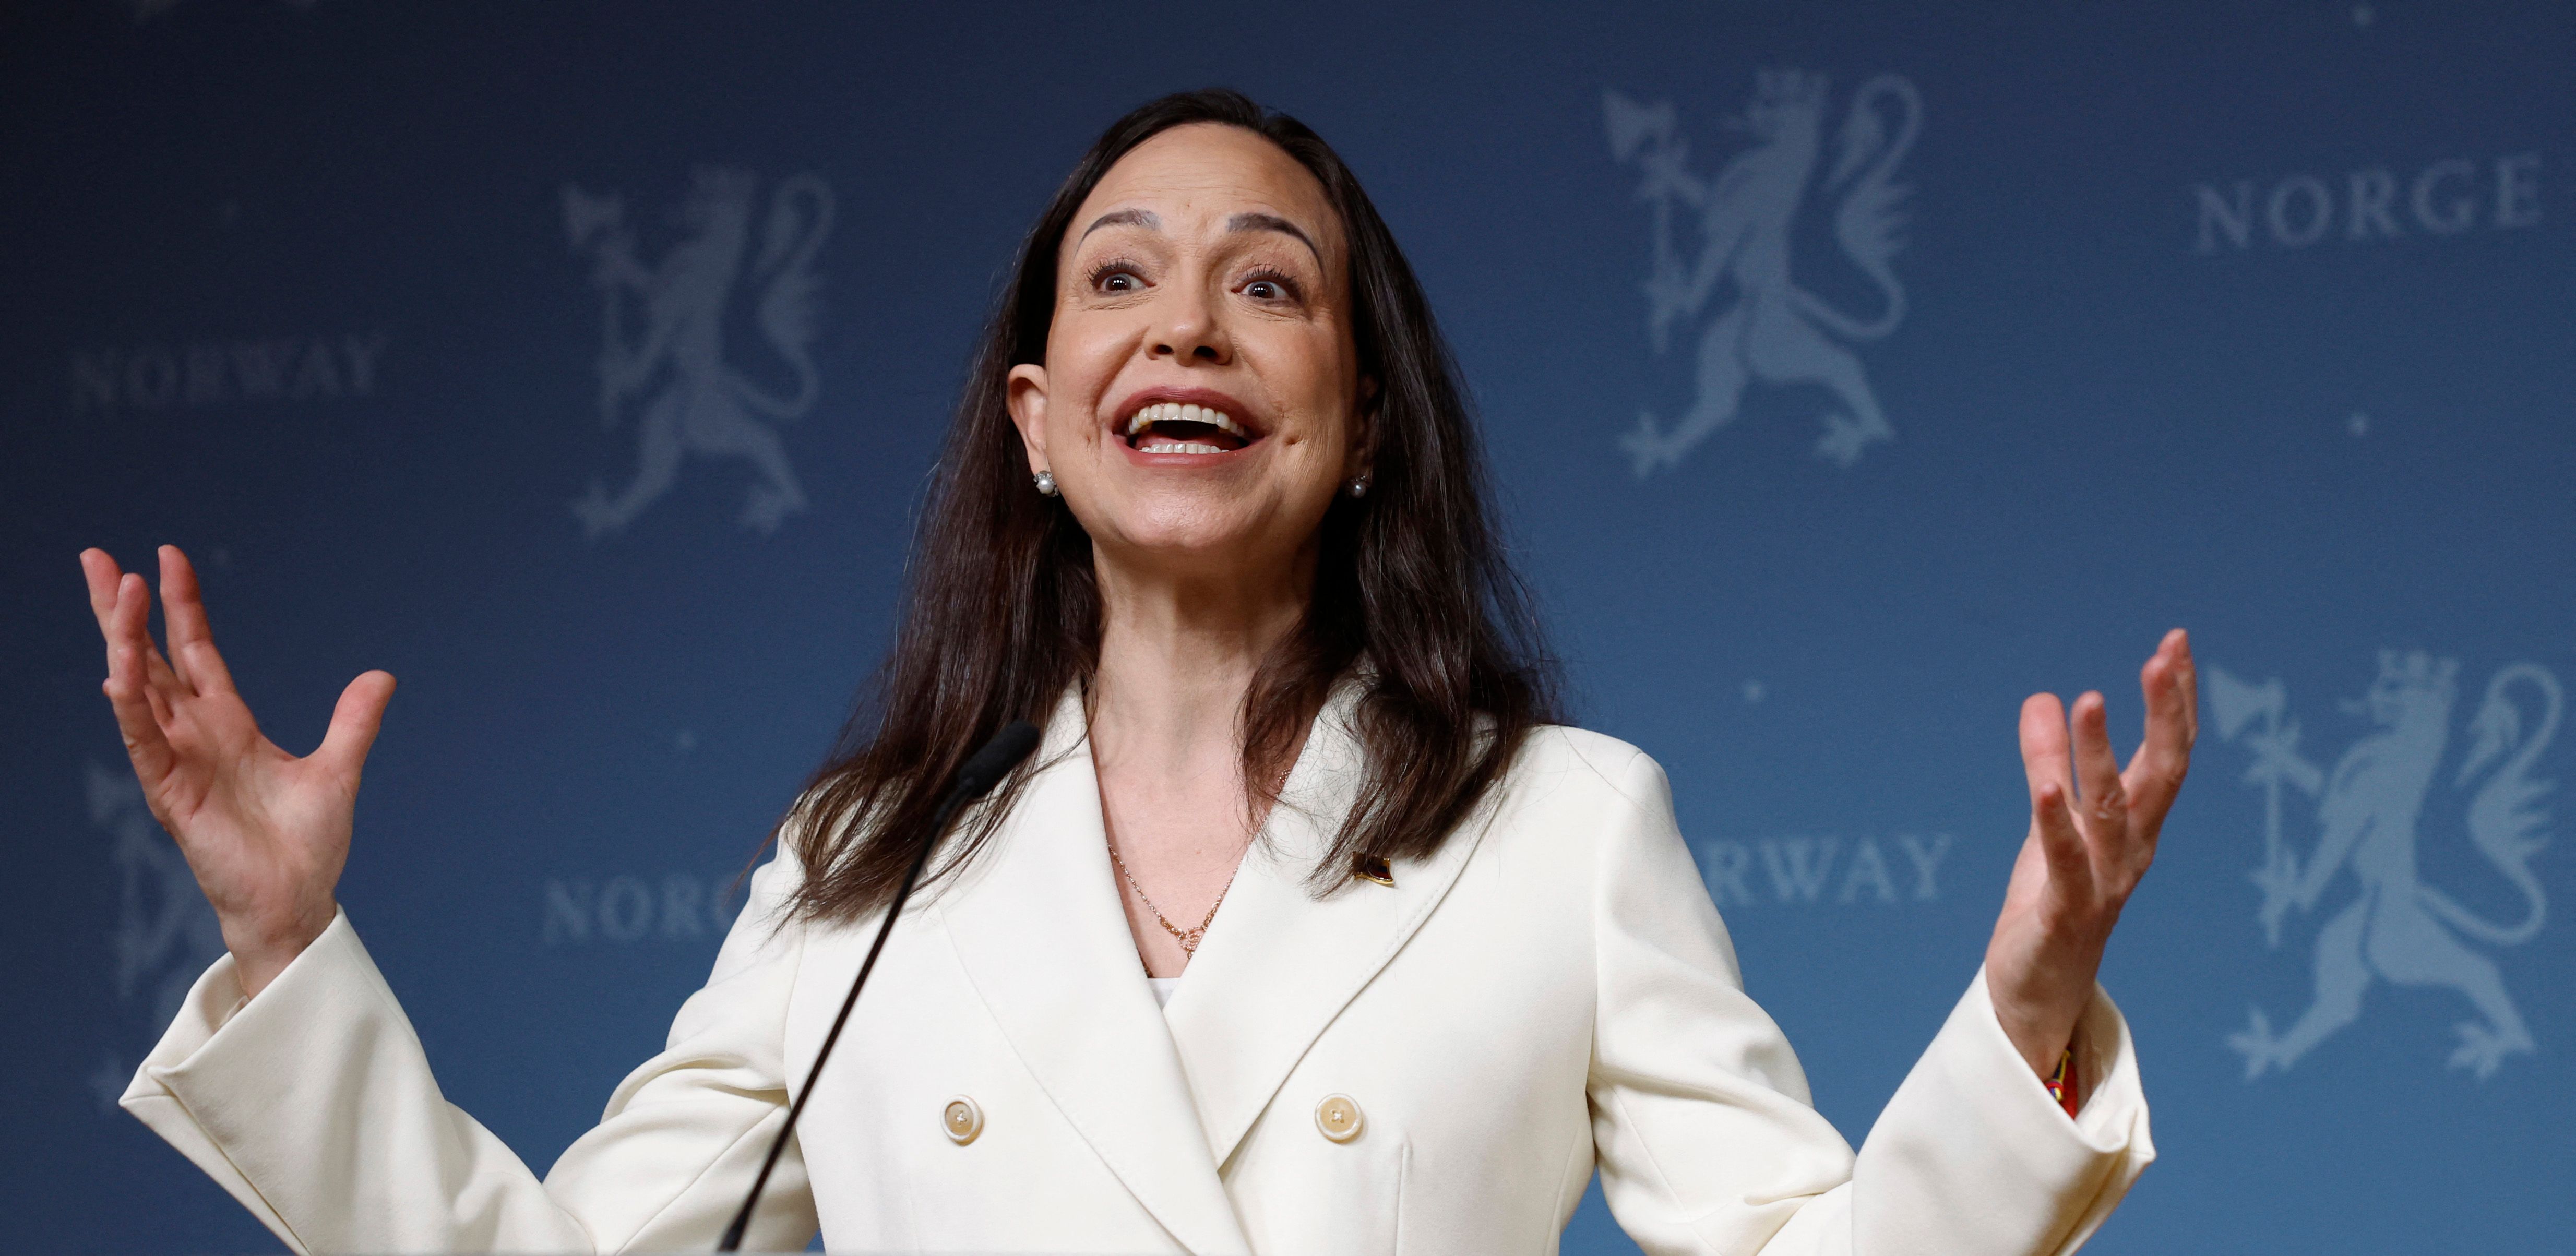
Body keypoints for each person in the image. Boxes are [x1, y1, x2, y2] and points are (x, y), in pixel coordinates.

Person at [85, 88, 2195, 1255]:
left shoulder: (1562, 825)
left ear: (1361, 421)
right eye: (1120, 279)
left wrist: (2024, 1010)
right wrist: (284, 946)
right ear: (1034, 413)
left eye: (1265, 286)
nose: (1182, 324)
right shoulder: (862, 867)